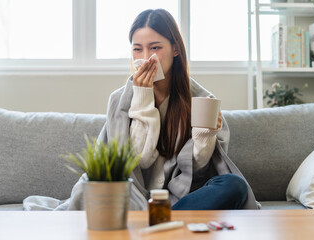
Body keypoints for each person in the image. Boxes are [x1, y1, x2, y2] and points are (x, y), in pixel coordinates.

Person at [97, 8, 259, 210]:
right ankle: (163, 220)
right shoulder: (119, 101)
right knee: (93, 187)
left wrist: (204, 137)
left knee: (234, 185)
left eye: (155, 48)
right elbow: (141, 160)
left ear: (175, 49)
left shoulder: (199, 99)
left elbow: (197, 172)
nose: (146, 58)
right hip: (131, 198)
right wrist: (142, 96)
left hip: (182, 197)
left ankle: (161, 218)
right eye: (137, 49)